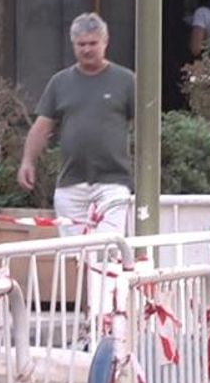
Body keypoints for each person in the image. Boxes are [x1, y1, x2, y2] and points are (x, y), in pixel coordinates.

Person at [18, 13, 135, 235]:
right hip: (71, 183)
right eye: (81, 44)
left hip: (113, 182)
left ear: (105, 42)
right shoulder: (60, 82)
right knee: (73, 255)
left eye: (93, 43)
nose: (87, 49)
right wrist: (27, 161)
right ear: (73, 45)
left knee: (106, 248)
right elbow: (42, 126)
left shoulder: (126, 80)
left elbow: (147, 125)